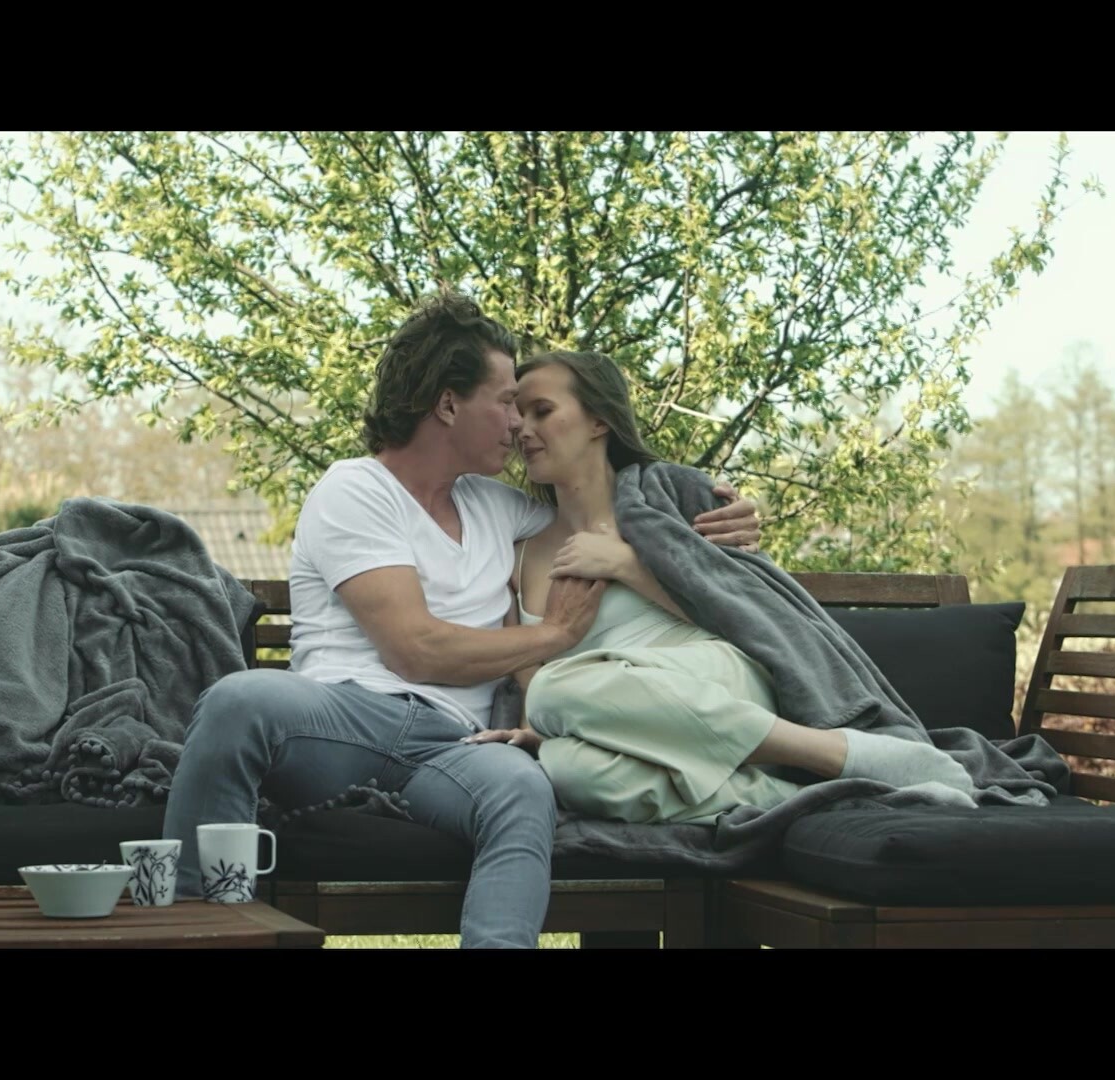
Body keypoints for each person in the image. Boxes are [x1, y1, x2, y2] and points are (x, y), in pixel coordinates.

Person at [161, 296, 760, 948]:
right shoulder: (354, 489)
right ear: (448, 405)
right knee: (239, 699)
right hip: (338, 722)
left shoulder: (497, 506)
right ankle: (197, 930)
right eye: (505, 402)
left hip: (453, 747)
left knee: (521, 788)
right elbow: (415, 649)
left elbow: (603, 506)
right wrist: (553, 637)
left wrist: (715, 512)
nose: (517, 424)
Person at [464, 350, 980, 825]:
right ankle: (826, 795)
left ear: (599, 420)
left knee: (558, 690)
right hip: (628, 723)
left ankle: (831, 753)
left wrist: (628, 566)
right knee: (566, 767)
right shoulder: (520, 553)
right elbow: (532, 685)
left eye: (542, 411)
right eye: (518, 414)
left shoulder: (669, 499)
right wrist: (535, 731)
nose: (523, 428)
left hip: (722, 679)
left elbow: (746, 611)